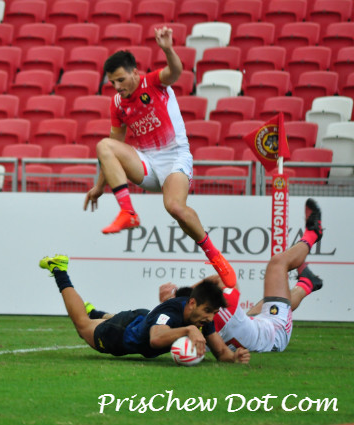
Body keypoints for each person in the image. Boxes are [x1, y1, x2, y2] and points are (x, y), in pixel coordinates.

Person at [83, 27, 236, 288]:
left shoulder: (153, 82)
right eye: (112, 83)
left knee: (175, 208)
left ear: (134, 72)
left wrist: (167, 49)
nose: (117, 87)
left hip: (175, 157)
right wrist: (99, 187)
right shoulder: (117, 103)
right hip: (147, 162)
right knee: (104, 145)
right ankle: (128, 211)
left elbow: (175, 71)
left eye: (121, 80)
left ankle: (216, 257)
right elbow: (113, 146)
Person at [157, 198, 325, 353]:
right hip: (275, 333)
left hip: (252, 326)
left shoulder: (187, 328)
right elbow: (222, 279)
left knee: (269, 303)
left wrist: (169, 302)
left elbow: (164, 326)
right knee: (277, 264)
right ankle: (313, 234)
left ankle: (307, 283)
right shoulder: (223, 308)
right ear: (193, 302)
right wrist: (186, 291)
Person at [38, 254, 250, 364]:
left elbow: (221, 352)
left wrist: (234, 357)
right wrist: (188, 330)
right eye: (208, 311)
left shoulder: (201, 317)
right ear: (193, 303)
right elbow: (155, 339)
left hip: (140, 319)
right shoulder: (172, 312)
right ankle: (59, 269)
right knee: (82, 325)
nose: (210, 318)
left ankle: (96, 313)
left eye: (213, 313)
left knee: (138, 321)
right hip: (120, 334)